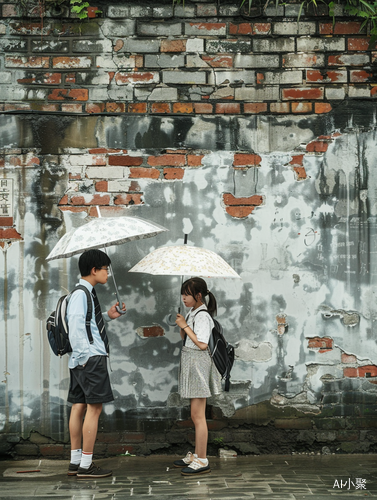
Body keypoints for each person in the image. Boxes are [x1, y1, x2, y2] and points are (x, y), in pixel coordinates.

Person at [66, 249, 126, 479]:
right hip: (89, 359)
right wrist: (85, 357)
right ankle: (86, 465)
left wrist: (108, 315)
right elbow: (76, 326)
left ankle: (75, 462)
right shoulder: (82, 293)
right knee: (94, 408)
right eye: (105, 269)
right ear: (94, 270)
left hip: (82, 359)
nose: (108, 274)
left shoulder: (84, 293)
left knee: (79, 406)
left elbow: (87, 320)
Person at [174, 277, 222, 476]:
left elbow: (202, 344)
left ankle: (202, 459)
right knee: (196, 415)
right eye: (183, 294)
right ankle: (196, 455)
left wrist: (185, 325)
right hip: (191, 363)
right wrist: (182, 326)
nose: (184, 298)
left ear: (199, 295)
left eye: (187, 294)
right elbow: (186, 339)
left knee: (198, 416)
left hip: (198, 365)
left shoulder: (203, 316)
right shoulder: (192, 312)